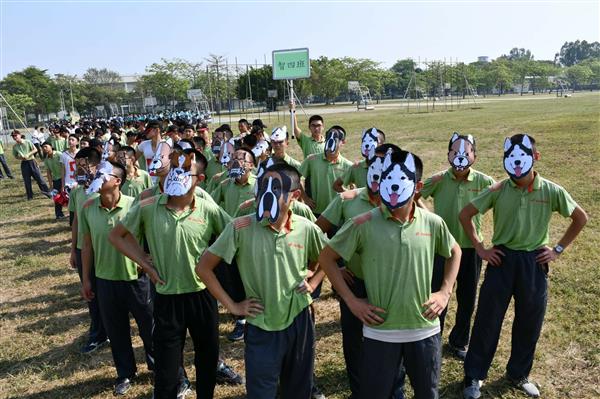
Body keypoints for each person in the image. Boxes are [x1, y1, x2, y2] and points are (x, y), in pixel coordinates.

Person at [319, 150, 461, 399]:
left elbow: (454, 251)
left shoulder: (432, 222)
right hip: (380, 331)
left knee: (427, 393)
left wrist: (444, 291)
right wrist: (352, 301)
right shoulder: (362, 223)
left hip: (424, 329)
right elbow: (327, 257)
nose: (391, 184)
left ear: (417, 187)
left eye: (400, 178)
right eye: (385, 177)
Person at [460, 134, 588, 399]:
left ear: (535, 157)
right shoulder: (498, 189)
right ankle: (474, 376)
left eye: (523, 156)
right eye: (510, 157)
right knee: (487, 319)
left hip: (534, 261)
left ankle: (518, 374)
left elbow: (580, 217)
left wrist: (558, 250)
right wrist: (482, 248)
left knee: (530, 321)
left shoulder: (551, 190)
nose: (516, 163)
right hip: (502, 259)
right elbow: (466, 215)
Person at [109, 148, 234, 399]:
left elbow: (234, 236)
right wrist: (144, 262)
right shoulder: (147, 206)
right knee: (166, 370)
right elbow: (116, 236)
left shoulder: (208, 209)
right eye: (176, 168)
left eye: (187, 171)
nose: (179, 174)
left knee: (207, 359)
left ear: (199, 179)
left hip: (202, 296)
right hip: (167, 297)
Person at [197, 163, 327, 399]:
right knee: (261, 392)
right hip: (260, 324)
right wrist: (233, 306)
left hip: (299, 320)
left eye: (276, 188)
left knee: (298, 389)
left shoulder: (306, 228)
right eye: (263, 186)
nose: (266, 194)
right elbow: (203, 268)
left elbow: (326, 259)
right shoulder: (240, 227)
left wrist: (314, 279)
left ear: (295, 196)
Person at [316, 143, 401, 398]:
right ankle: (359, 390)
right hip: (356, 282)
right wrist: (337, 267)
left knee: (393, 339)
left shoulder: (403, 203)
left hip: (390, 282)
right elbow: (315, 230)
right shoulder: (347, 199)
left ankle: (393, 390)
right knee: (354, 342)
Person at [416, 133, 495, 360]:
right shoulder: (439, 179)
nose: (460, 157)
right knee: (438, 294)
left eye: (466, 153)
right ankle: (433, 337)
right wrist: (427, 213)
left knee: (467, 297)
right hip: (443, 248)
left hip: (471, 248)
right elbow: (414, 194)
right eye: (455, 153)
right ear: (448, 155)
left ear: (474, 157)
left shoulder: (485, 182)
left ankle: (459, 341)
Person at [80, 161, 154, 396]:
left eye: (104, 175)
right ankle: (125, 373)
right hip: (105, 280)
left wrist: (148, 262)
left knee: (149, 326)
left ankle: (158, 365)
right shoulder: (88, 208)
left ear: (117, 181)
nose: (98, 178)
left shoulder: (135, 207)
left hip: (136, 279)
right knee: (117, 331)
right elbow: (88, 246)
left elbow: (150, 240)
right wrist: (86, 280)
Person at [68, 147, 109, 353]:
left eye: (85, 166)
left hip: (104, 248)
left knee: (108, 293)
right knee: (90, 291)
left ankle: (112, 328)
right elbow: (75, 220)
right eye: (78, 167)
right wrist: (73, 249)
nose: (81, 171)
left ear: (96, 166)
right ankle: (98, 333)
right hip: (84, 249)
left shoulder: (105, 189)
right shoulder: (76, 191)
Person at [299, 126, 353, 216]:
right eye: (329, 138)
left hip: (338, 214)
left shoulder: (348, 165)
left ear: (343, 142)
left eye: (336, 139)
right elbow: (298, 178)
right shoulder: (312, 159)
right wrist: (305, 198)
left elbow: (354, 189)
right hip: (316, 212)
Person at [333, 127, 386, 193]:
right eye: (364, 141)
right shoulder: (356, 167)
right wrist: (354, 196)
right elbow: (336, 185)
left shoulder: (389, 167)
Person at [210, 148, 257, 216]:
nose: (236, 163)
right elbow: (211, 203)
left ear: (251, 165)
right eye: (233, 159)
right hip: (230, 225)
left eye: (241, 160)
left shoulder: (259, 184)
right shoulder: (225, 184)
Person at [10, 130, 51, 200]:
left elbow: (35, 150)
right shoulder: (15, 146)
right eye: (13, 136)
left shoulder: (27, 142)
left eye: (15, 135)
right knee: (27, 181)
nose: (14, 137)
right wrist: (21, 158)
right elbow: (15, 156)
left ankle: (48, 193)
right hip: (24, 163)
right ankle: (30, 196)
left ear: (19, 135)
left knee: (39, 178)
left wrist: (28, 154)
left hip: (31, 161)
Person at [41, 142, 66, 220]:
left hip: (64, 178)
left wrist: (63, 182)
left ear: (51, 146)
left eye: (46, 146)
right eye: (43, 147)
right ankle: (59, 214)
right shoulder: (46, 159)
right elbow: (48, 173)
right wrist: (51, 185)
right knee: (57, 197)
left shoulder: (59, 154)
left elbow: (64, 167)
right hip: (56, 180)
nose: (44, 148)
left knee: (67, 196)